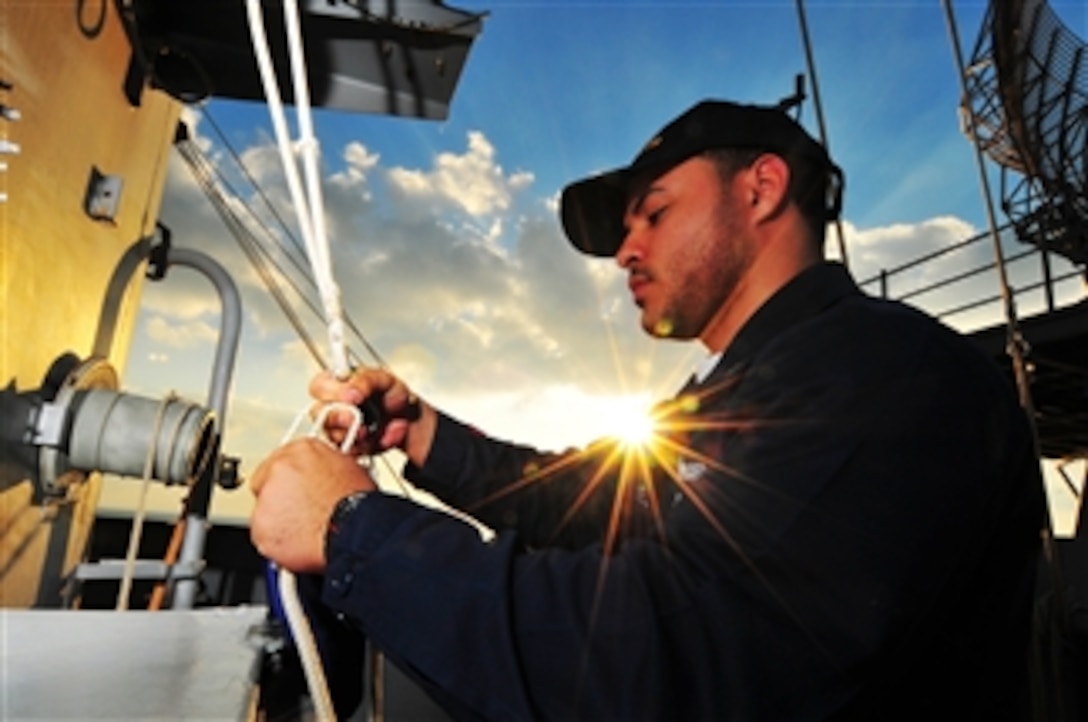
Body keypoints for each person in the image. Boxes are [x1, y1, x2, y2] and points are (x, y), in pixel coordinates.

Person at [249, 99, 1045, 721]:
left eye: (654, 212)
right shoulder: (743, 395)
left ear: (762, 189)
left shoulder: (888, 377)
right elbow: (581, 498)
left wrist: (354, 532)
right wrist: (418, 431)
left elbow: (673, 667)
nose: (626, 251)